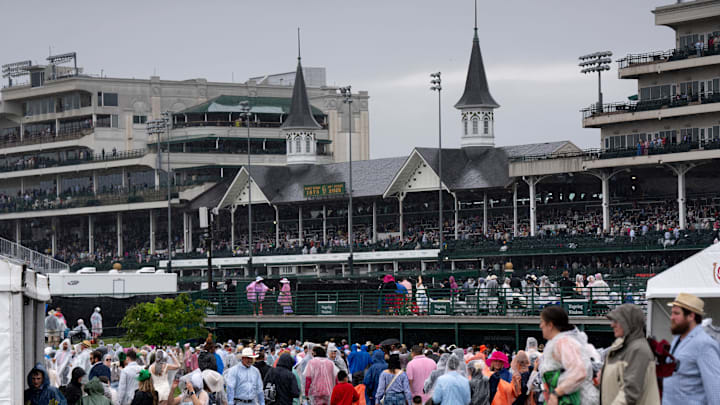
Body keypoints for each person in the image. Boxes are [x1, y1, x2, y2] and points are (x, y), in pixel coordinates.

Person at [662, 293, 720, 404]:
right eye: (672, 313)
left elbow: (715, 389)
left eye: (676, 313)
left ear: (691, 316)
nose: (672, 317)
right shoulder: (677, 339)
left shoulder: (704, 344)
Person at [538, 306, 598, 405]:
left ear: (550, 325)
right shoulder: (563, 340)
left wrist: (556, 393)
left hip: (575, 400)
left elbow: (579, 372)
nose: (540, 326)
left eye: (542, 322)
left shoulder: (563, 342)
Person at [600, 304, 659, 405]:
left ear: (629, 323)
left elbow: (630, 393)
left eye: (616, 321)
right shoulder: (624, 347)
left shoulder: (638, 350)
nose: (612, 325)